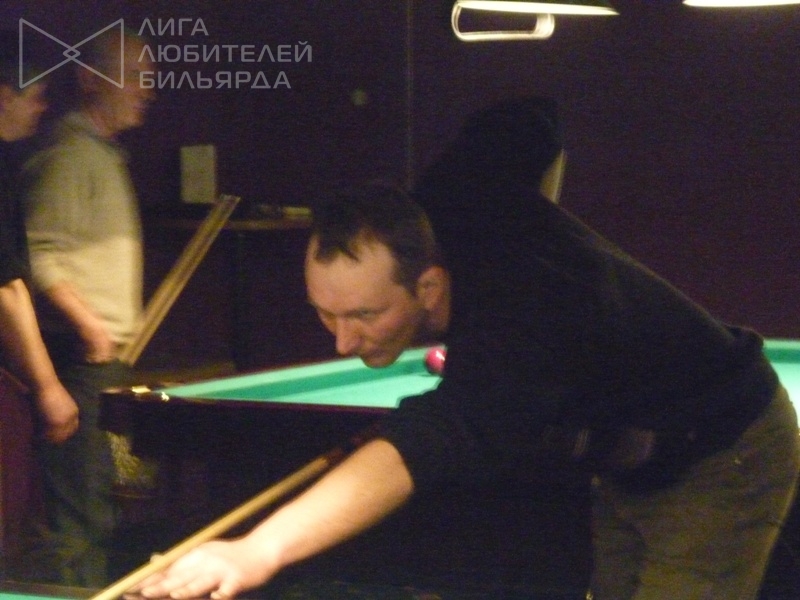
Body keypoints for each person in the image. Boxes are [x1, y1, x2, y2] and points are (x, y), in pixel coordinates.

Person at [131, 98, 800, 600]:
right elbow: (531, 117)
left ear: (427, 285)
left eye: (364, 315)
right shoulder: (454, 194)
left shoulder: (520, 326)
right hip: (630, 455)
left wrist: (257, 551)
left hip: (724, 447)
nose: (343, 341)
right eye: (325, 314)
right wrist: (523, 216)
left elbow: (425, 443)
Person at [20, 28, 154, 586]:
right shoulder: (71, 156)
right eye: (135, 76)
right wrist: (91, 326)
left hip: (104, 364)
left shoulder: (100, 153)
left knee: (102, 507)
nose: (146, 90)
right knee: (83, 516)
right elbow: (37, 255)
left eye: (149, 77)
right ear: (91, 79)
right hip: (81, 364)